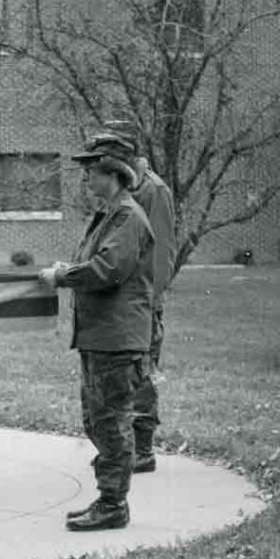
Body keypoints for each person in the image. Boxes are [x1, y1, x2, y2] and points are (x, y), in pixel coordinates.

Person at [38, 133, 155, 532]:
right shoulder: (108, 215)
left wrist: (62, 276)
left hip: (118, 339)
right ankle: (107, 498)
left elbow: (108, 270)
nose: (85, 175)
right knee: (96, 420)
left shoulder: (127, 217)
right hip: (100, 337)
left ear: (114, 172)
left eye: (92, 167)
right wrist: (67, 268)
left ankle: (112, 504)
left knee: (111, 421)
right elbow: (92, 262)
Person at [105, 120, 177, 474]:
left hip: (143, 302)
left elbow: (162, 252)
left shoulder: (153, 191)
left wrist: (151, 301)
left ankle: (143, 449)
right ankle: (123, 446)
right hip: (121, 300)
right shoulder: (120, 189)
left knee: (142, 372)